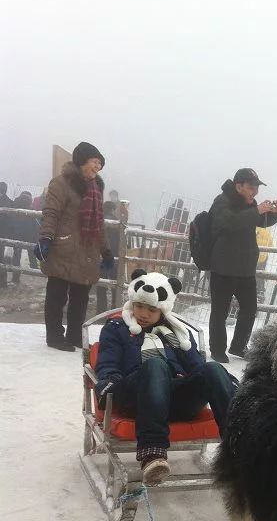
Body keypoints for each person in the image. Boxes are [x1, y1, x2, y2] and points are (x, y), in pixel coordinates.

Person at [95, 268, 237, 486]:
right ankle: (152, 454)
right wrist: (108, 386)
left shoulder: (177, 332)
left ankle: (239, 448)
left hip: (176, 399)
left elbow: (198, 367)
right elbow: (108, 364)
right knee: (155, 365)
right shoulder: (117, 328)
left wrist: (226, 382)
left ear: (163, 309)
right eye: (139, 306)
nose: (144, 314)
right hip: (136, 396)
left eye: (152, 309)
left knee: (213, 368)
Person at [34, 142, 114, 351]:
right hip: (64, 247)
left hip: (87, 251)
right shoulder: (61, 183)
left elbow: (99, 223)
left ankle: (74, 336)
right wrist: (45, 238)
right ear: (82, 161)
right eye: (95, 162)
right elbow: (51, 213)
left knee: (81, 297)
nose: (98, 167)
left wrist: (106, 250)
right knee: (57, 295)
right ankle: (54, 337)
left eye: (100, 164)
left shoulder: (96, 188)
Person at [208, 168, 277, 362]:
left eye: (257, 187)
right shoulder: (222, 201)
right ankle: (217, 350)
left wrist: (275, 213)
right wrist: (256, 211)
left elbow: (259, 221)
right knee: (220, 311)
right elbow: (230, 222)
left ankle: (239, 346)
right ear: (238, 186)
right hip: (223, 267)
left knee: (249, 309)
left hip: (245, 270)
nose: (255, 191)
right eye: (251, 187)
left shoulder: (250, 203)